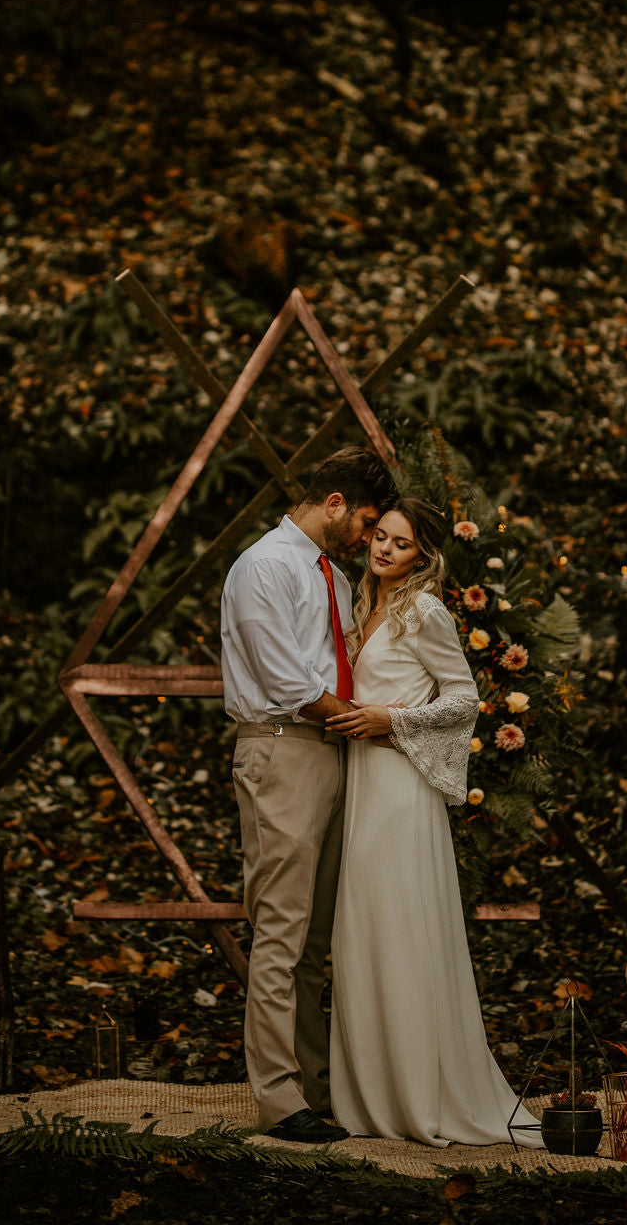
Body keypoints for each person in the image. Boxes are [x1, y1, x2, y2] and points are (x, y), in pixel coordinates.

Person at [326, 497, 543, 1149]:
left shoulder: (424, 610)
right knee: (366, 929)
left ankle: (424, 1095)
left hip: (400, 789)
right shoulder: (369, 605)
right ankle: (375, 1095)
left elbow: (463, 698)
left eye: (400, 543)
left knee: (401, 926)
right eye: (380, 538)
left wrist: (387, 720)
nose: (384, 550)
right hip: (366, 782)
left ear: (423, 554)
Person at [220, 445, 398, 1144]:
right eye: (366, 520)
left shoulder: (327, 571)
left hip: (330, 752)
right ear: (333, 504)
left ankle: (316, 1087)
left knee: (317, 935)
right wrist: (371, 728)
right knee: (282, 930)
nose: (368, 536)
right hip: (285, 750)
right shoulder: (266, 566)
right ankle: (277, 1097)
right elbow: (289, 683)